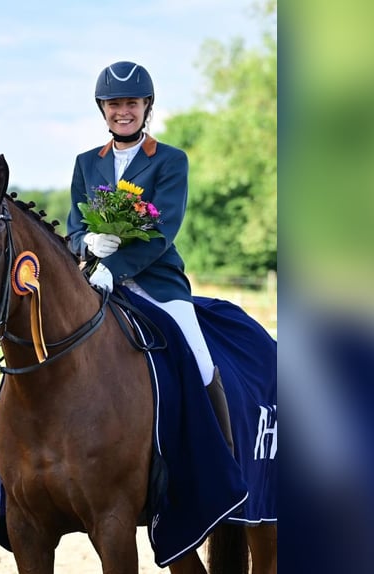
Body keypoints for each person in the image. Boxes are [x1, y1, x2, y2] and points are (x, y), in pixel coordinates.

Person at [66, 60, 235, 454]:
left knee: (201, 361)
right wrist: (87, 244)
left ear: (147, 107)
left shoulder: (171, 160)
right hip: (93, 285)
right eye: (113, 104)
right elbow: (74, 226)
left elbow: (164, 230)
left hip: (158, 284)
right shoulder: (86, 163)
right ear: (102, 109)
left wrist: (114, 267)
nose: (122, 111)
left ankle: (223, 457)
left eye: (132, 103)